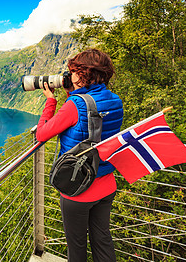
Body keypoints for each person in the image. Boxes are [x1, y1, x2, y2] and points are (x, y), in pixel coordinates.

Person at [36, 49, 123, 262]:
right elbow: (89, 120)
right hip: (107, 184)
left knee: (76, 248)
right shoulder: (115, 100)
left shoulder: (75, 105)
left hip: (78, 189)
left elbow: (42, 133)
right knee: (102, 241)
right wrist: (71, 94)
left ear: (84, 74)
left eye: (74, 71)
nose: (70, 75)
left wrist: (50, 101)